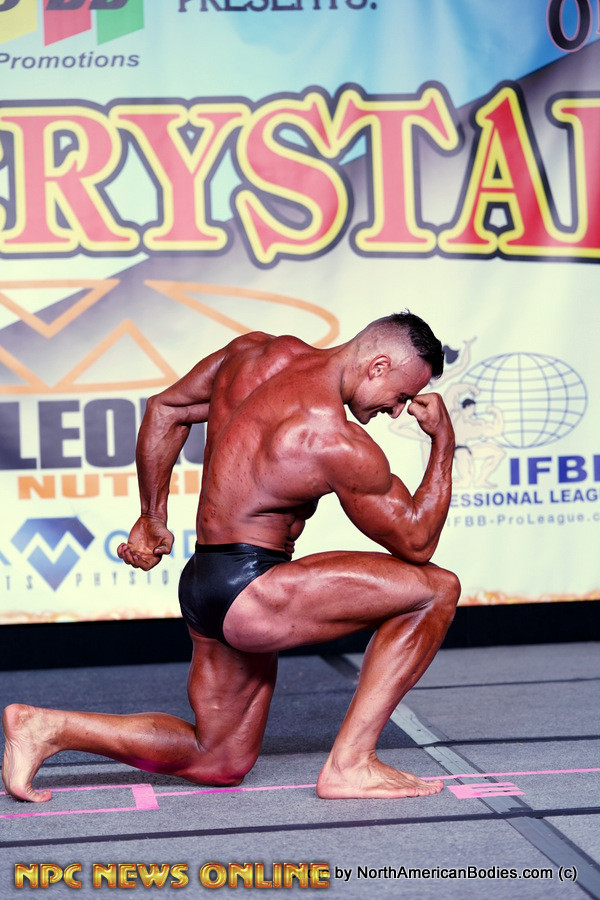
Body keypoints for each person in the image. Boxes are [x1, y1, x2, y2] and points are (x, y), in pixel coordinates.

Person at [2, 312, 460, 802]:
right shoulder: (333, 437)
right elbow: (416, 542)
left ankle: (44, 727)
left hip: (205, 580)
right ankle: (352, 763)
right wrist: (443, 441)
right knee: (437, 589)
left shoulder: (255, 353)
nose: (399, 411)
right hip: (253, 592)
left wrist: (152, 516)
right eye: (402, 395)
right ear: (378, 365)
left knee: (218, 760)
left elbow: (166, 408)